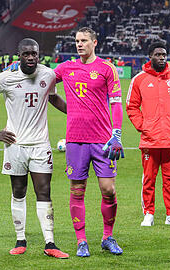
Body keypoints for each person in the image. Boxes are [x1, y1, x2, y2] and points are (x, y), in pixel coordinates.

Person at [0, 38, 69, 258]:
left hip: (40, 145)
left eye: (34, 54)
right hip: (15, 145)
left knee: (44, 192)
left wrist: (75, 113)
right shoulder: (6, 78)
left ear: (39, 54)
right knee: (19, 192)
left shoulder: (48, 74)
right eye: (26, 54)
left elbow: (53, 98)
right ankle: (20, 239)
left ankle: (50, 243)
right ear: (19, 55)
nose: (31, 58)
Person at [54, 27, 124, 257]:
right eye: (77, 41)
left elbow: (116, 103)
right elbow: (45, 81)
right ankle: (81, 240)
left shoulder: (107, 69)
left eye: (84, 40)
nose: (79, 44)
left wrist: (117, 135)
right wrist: (18, 69)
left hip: (103, 141)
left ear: (95, 42)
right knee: (77, 190)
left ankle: (107, 236)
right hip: (75, 141)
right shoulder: (66, 68)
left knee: (109, 190)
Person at [126, 42, 170, 227]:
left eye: (164, 54)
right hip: (149, 140)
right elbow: (131, 106)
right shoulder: (139, 79)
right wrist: (143, 126)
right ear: (150, 56)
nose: (162, 58)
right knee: (149, 178)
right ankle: (149, 213)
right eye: (158, 54)